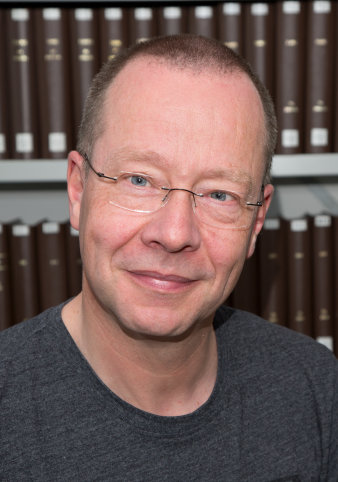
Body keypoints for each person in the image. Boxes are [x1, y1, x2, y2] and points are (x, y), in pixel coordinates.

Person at [1, 34, 337, 481]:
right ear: (78, 191)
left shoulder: (315, 388)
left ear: (257, 223)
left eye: (220, 194)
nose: (175, 234)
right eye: (139, 180)